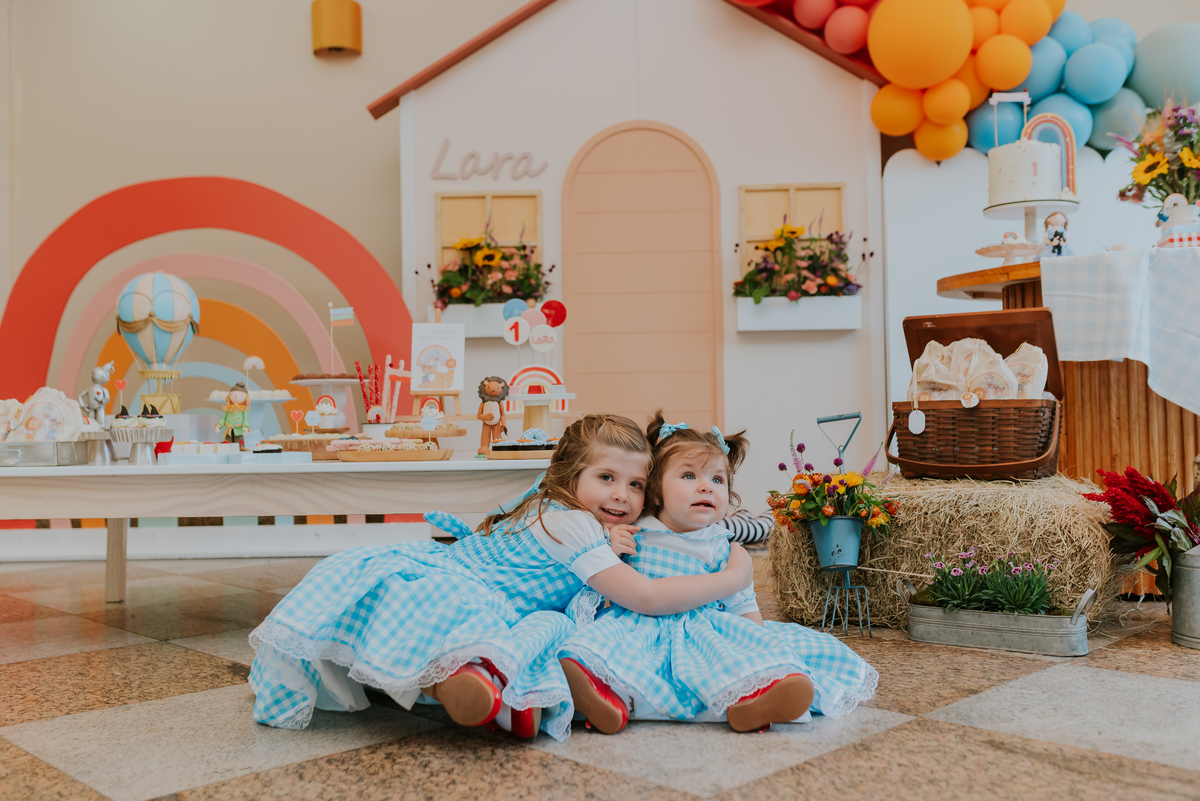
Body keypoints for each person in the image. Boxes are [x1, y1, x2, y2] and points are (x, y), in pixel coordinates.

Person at [248, 414, 754, 741]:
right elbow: (642, 595)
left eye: (636, 484)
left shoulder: (567, 515)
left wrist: (608, 543)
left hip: (461, 584)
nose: (623, 496)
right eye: (606, 478)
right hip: (449, 586)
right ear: (569, 478)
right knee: (467, 625)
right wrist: (733, 579)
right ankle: (462, 685)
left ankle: (479, 686)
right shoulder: (571, 524)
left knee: (525, 633)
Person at [558, 412, 879, 734]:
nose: (705, 488)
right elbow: (603, 581)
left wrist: (759, 642)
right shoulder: (634, 530)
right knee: (605, 654)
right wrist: (609, 544)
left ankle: (756, 695)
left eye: (717, 480)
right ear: (655, 492)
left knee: (729, 661)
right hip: (636, 628)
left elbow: (742, 602)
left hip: (704, 632)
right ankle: (602, 695)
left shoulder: (723, 548)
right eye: (688, 476)